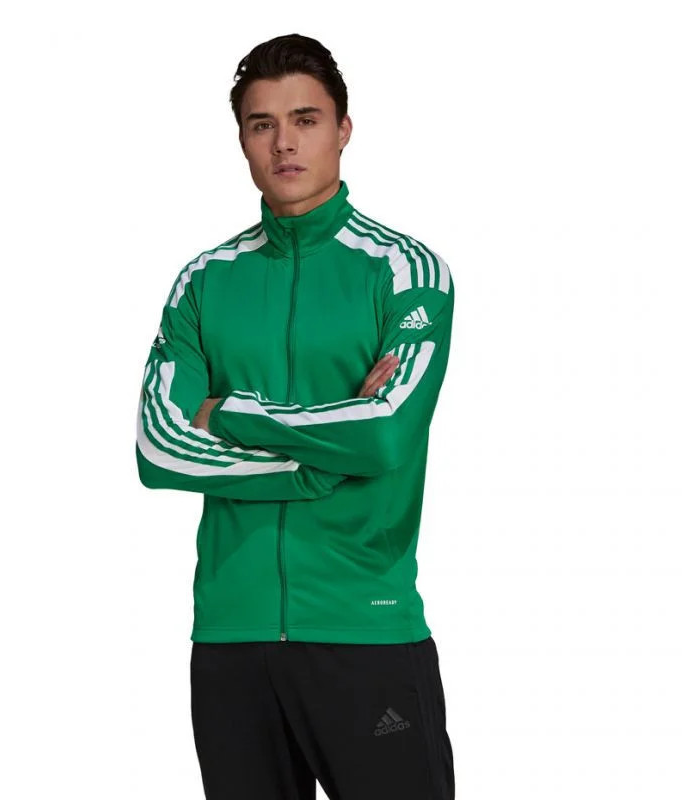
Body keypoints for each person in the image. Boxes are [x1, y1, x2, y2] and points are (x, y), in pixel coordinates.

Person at [135, 32, 456, 800]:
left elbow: (386, 432)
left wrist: (228, 410)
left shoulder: (407, 271)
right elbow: (159, 447)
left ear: (343, 129)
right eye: (262, 124)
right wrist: (317, 462)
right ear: (242, 139)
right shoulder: (203, 281)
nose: (284, 142)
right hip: (231, 639)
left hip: (365, 629)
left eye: (305, 120)